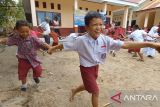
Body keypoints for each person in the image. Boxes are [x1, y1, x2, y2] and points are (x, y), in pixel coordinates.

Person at [47, 11, 160, 107]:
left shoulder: (105, 39)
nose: (99, 28)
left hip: (96, 67)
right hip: (86, 69)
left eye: (101, 24)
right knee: (95, 91)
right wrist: (53, 48)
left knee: (89, 86)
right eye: (94, 25)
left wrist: (150, 44)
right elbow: (64, 45)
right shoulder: (80, 40)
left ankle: (74, 90)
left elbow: (125, 45)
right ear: (87, 27)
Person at [0, 20, 52, 91]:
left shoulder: (32, 37)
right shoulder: (16, 38)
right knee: (22, 73)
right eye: (22, 32)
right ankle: (24, 85)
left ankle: (35, 77)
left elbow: (41, 43)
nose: (25, 33)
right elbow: (7, 40)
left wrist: (49, 47)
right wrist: (1, 40)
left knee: (38, 70)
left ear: (29, 30)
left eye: (27, 31)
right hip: (23, 59)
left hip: (34, 58)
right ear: (17, 31)